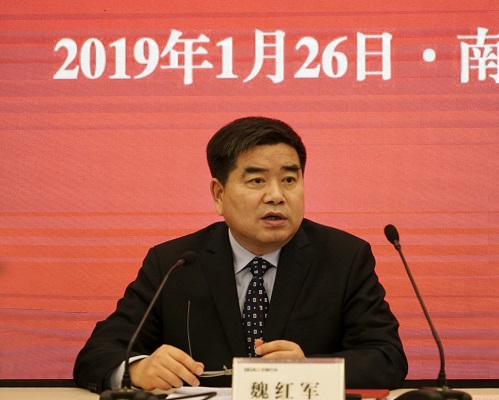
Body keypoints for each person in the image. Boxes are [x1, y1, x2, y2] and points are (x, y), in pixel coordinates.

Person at [73, 116, 408, 393]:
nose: (276, 195)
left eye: (289, 179)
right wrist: (137, 369)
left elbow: (387, 359)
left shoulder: (344, 258)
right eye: (257, 181)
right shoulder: (174, 262)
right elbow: (96, 356)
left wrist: (308, 369)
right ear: (219, 194)